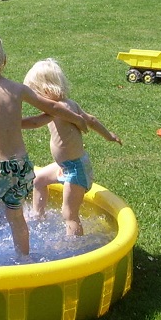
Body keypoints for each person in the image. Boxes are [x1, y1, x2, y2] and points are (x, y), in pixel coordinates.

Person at [0, 31, 87, 260]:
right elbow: (52, 108)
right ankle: (23, 258)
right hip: (21, 167)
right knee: (15, 215)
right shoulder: (18, 90)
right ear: (4, 61)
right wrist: (76, 118)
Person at [22, 59, 121, 236]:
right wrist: (108, 135)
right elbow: (90, 120)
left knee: (69, 214)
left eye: (35, 94)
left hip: (76, 169)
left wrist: (13, 123)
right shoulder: (69, 103)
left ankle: (73, 248)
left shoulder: (58, 108)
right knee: (38, 180)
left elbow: (36, 121)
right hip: (66, 166)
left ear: (46, 90)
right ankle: (38, 216)